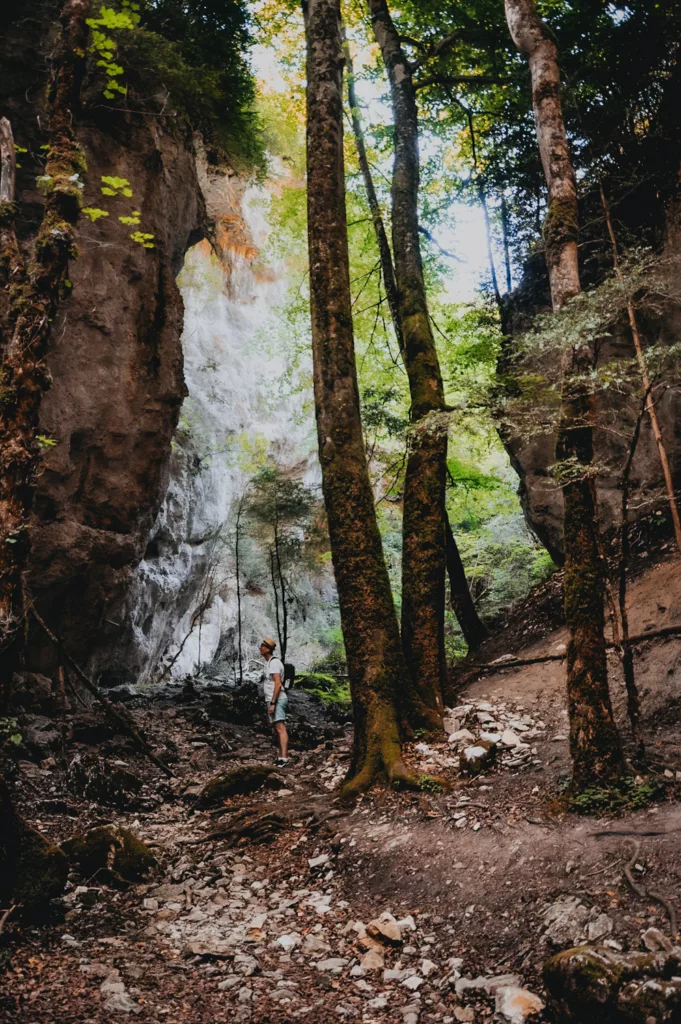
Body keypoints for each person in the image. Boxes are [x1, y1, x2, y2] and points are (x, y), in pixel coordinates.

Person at [259, 637, 289, 766]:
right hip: (274, 699)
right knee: (278, 729)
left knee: (281, 728)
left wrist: (272, 703)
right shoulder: (270, 663)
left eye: (262, 646)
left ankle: (284, 758)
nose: (260, 648)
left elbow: (278, 684)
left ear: (267, 649)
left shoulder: (274, 663)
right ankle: (281, 757)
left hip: (278, 699)